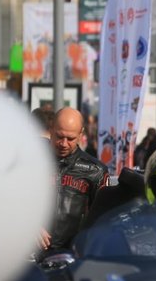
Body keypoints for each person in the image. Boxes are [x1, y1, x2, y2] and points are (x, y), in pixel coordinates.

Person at [43, 107, 109, 251]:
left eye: (70, 139)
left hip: (71, 254)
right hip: (27, 252)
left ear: (80, 134)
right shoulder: (30, 159)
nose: (64, 143)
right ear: (51, 129)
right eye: (59, 136)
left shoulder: (95, 170)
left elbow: (104, 218)